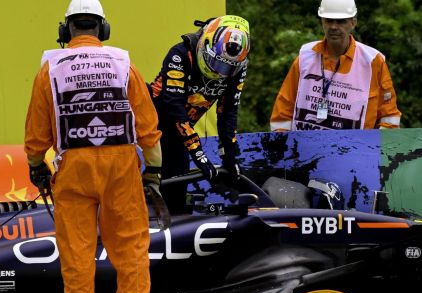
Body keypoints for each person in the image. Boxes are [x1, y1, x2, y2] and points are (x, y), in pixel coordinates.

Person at [24, 0, 162, 293]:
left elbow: (36, 134)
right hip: (121, 165)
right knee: (130, 245)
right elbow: (148, 130)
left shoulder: (50, 68)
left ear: (65, 29)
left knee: (76, 252)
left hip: (74, 165)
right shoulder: (123, 63)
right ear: (103, 28)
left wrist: (35, 165)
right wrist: (153, 172)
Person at [148, 15, 250, 214]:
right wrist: (199, 153)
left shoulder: (238, 67)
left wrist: (230, 154)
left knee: (176, 197)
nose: (221, 73)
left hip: (177, 136)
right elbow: (173, 107)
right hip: (152, 122)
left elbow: (228, 111)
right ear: (205, 45)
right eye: (218, 64)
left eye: (228, 68)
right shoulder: (180, 54)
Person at [270, 0, 401, 131]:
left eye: (341, 21)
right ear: (322, 22)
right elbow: (283, 114)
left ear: (353, 23)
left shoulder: (373, 62)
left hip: (356, 150)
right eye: (329, 20)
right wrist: (284, 148)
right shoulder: (305, 58)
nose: (333, 26)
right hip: (306, 150)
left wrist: (371, 149)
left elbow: (389, 118)